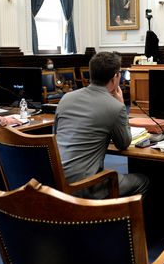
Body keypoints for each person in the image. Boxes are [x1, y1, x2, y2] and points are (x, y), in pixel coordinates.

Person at [55, 51, 149, 199]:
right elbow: (124, 143)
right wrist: (121, 106)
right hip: (84, 186)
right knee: (143, 181)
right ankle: (119, 221)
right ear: (115, 77)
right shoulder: (114, 107)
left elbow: (56, 134)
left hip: (55, 180)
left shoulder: (66, 98)